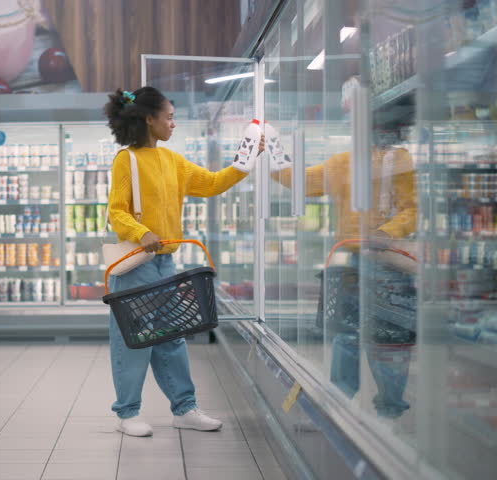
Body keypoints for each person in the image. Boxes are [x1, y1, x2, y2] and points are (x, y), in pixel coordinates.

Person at [103, 87, 255, 436]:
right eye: (169, 116)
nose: (173, 123)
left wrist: (245, 162)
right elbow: (116, 211)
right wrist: (141, 232)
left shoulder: (173, 161)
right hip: (137, 264)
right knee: (134, 340)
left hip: (165, 265)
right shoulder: (127, 160)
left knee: (171, 338)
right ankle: (127, 414)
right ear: (148, 119)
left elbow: (213, 184)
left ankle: (184, 409)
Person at [269, 115, 418, 419]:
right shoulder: (374, 162)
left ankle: (354, 405)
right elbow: (301, 182)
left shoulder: (380, 162)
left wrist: (271, 154)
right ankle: (370, 407)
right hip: (366, 263)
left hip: (377, 262)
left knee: (363, 338)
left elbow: (412, 210)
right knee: (371, 339)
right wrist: (270, 152)